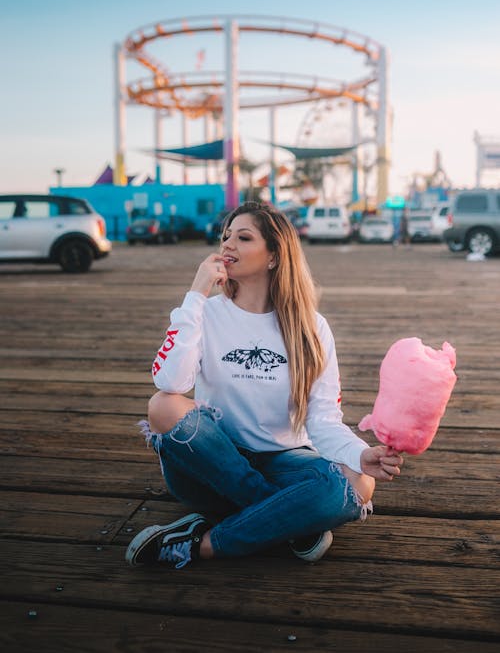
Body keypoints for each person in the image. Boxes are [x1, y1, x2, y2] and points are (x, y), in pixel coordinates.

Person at [126, 201, 403, 570]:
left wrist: (360, 454)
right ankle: (289, 519)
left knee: (360, 483)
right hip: (211, 462)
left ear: (274, 256)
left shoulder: (311, 327)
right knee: (163, 405)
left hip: (283, 459)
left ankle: (204, 544)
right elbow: (170, 380)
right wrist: (196, 292)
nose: (228, 245)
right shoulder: (205, 313)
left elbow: (323, 420)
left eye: (243, 237)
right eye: (225, 236)